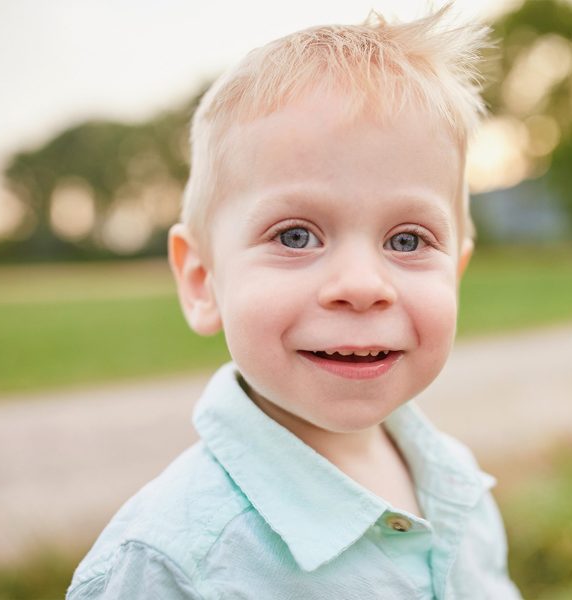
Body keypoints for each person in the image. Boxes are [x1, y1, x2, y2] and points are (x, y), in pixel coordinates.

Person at [67, 6, 521, 599]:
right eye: (295, 236)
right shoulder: (171, 567)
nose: (361, 285)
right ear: (203, 282)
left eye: (407, 240)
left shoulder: (455, 481)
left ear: (455, 275)